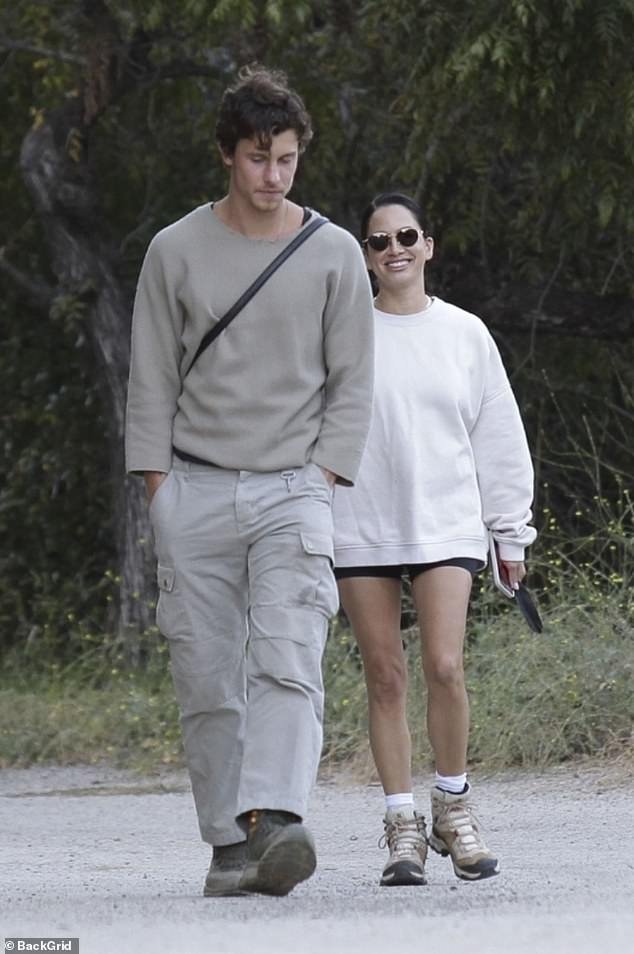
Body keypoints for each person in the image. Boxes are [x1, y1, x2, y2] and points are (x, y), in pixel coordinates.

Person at [125, 65, 374, 898]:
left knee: (289, 654)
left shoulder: (335, 252)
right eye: (260, 158)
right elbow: (151, 375)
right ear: (228, 155)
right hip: (192, 486)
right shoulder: (175, 249)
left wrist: (327, 471)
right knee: (207, 677)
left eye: (289, 159)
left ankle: (278, 821)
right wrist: (158, 486)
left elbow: (353, 380)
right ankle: (231, 846)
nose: (275, 176)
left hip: (293, 487)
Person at [332, 192, 536, 887]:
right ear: (365, 255)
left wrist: (510, 532)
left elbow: (498, 435)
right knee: (385, 674)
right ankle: (401, 828)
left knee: (444, 666)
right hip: (360, 522)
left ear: (428, 246)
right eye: (378, 240)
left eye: (406, 236)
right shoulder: (345, 331)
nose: (394, 248)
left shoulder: (465, 333)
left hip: (447, 521)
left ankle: (453, 808)